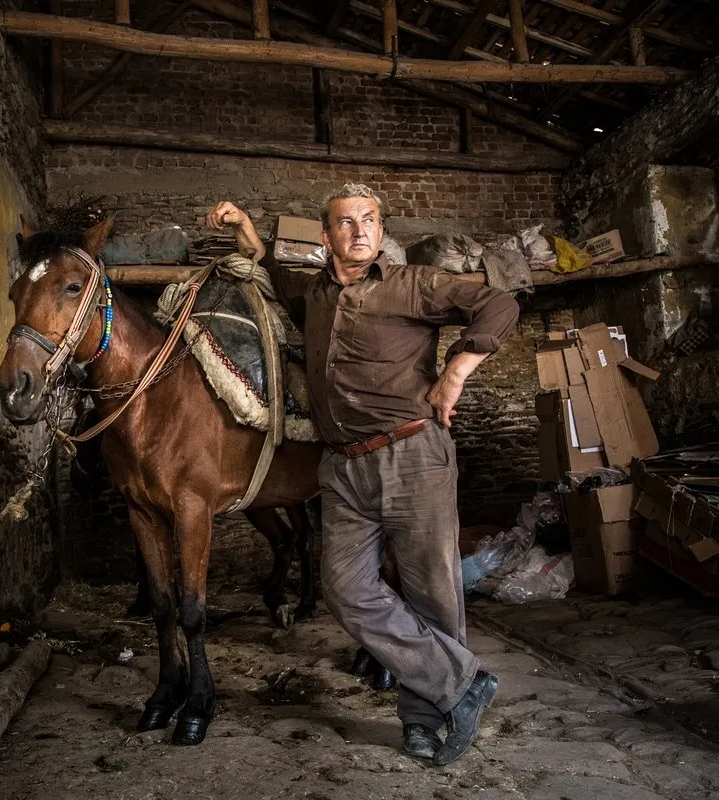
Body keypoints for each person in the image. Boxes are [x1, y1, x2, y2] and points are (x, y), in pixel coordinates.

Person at [205, 185, 519, 765]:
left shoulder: (413, 284)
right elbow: (274, 272)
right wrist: (246, 230)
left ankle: (424, 718)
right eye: (345, 223)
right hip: (342, 467)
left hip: (412, 457)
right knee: (345, 590)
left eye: (369, 220)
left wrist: (457, 370)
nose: (359, 231)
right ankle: (464, 682)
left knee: (431, 593)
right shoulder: (317, 294)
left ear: (380, 230)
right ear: (326, 238)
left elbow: (500, 304)